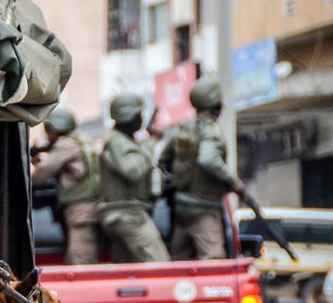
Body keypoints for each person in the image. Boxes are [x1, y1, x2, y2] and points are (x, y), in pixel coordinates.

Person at [159, 77, 245, 260]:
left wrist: (180, 179)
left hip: (182, 211)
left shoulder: (184, 129)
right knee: (215, 265)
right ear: (216, 105)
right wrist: (234, 182)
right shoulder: (211, 131)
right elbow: (208, 159)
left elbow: (163, 159)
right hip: (204, 210)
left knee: (177, 266)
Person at [96, 93, 169, 263]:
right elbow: (133, 170)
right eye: (138, 115)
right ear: (128, 116)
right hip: (128, 215)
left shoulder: (122, 140)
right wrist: (151, 142)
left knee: (128, 270)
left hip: (124, 213)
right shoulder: (117, 142)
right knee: (160, 265)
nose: (141, 119)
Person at [31, 107, 100, 265]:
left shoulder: (65, 145)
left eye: (48, 128)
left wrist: (35, 165)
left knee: (81, 260)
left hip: (81, 212)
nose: (47, 133)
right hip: (87, 208)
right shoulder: (80, 140)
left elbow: (39, 177)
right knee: (74, 258)